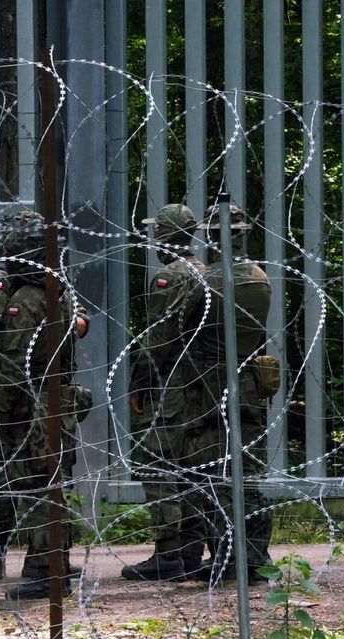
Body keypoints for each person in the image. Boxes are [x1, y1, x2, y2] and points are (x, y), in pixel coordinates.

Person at [132, 201, 276, 585]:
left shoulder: (204, 280)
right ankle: (249, 556)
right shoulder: (257, 277)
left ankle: (225, 558)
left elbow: (166, 336)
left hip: (202, 388)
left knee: (206, 475)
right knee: (242, 474)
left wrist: (140, 381)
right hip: (246, 384)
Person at [0, 210, 91, 600]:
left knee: (38, 483)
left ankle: (44, 570)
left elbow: (12, 359)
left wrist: (11, 400)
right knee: (47, 481)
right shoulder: (50, 289)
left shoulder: (30, 297)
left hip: (28, 404)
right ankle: (47, 562)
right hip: (46, 398)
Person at [123, 204, 208, 581]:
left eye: (156, 233)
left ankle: (168, 553)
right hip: (201, 384)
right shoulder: (205, 272)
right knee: (191, 466)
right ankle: (190, 551)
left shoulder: (168, 277)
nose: (153, 239)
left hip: (171, 384)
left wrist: (139, 383)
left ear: (166, 236)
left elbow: (159, 338)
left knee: (156, 463)